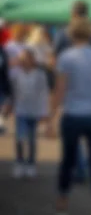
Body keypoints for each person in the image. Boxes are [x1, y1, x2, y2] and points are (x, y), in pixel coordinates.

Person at [51, 18, 91, 215]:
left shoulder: (66, 57)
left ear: (71, 34)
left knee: (68, 160)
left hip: (73, 114)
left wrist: (51, 116)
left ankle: (63, 198)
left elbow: (60, 90)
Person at [53, 0, 91, 184]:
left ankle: (79, 169)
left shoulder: (63, 34)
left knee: (73, 135)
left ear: (73, 13)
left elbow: (56, 59)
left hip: (70, 88)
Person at [7, 48, 50, 178]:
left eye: (27, 58)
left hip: (35, 110)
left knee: (32, 139)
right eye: (23, 58)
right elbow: (13, 93)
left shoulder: (40, 75)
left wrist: (44, 112)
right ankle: (19, 163)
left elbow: (43, 94)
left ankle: (30, 164)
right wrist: (9, 106)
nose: (24, 61)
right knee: (20, 137)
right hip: (21, 110)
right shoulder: (16, 75)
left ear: (33, 60)